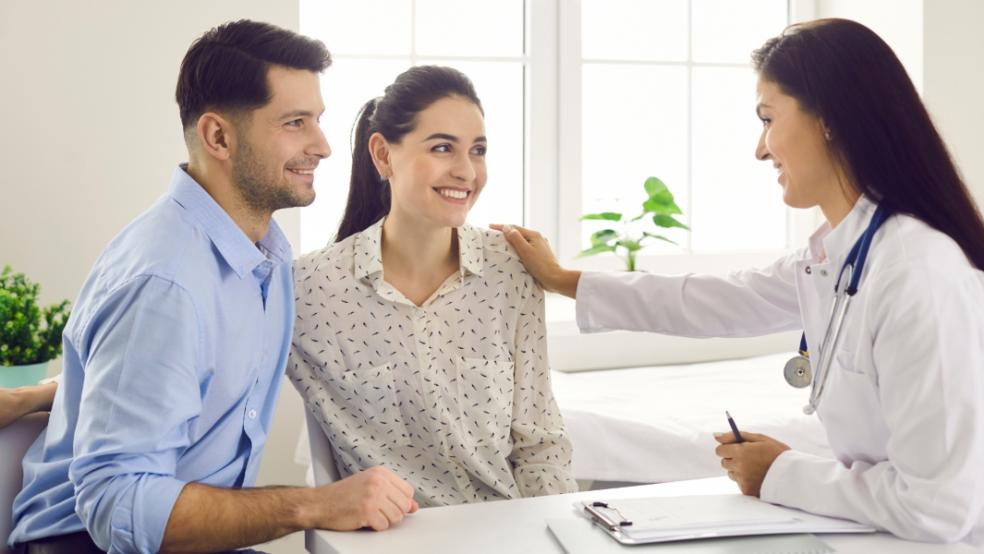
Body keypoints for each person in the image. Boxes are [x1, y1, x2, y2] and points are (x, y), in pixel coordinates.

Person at [493, 18, 984, 544]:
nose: (760, 149)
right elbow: (715, 299)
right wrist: (563, 280)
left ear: (829, 120)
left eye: (768, 119)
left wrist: (781, 472)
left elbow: (937, 507)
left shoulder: (917, 273)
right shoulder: (839, 257)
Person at [8, 20, 416, 554]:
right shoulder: (166, 283)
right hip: (89, 543)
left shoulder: (263, 253)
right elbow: (118, 507)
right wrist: (313, 505)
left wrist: (50, 393)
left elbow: (155, 379)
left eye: (317, 120)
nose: (322, 146)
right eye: (295, 122)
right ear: (218, 137)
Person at [288, 65, 578, 507]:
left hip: (508, 527)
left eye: (478, 151)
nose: (466, 171)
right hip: (393, 535)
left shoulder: (510, 269)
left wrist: (555, 530)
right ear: (383, 155)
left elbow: (540, 445)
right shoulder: (307, 290)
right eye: (443, 148)